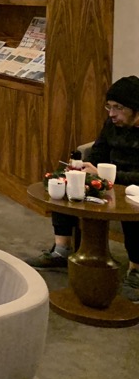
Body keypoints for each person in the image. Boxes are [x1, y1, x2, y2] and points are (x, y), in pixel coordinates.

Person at [26, 76, 139, 302]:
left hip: (134, 186)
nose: (112, 114)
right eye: (109, 107)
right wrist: (83, 169)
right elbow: (98, 152)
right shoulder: (112, 124)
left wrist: (108, 176)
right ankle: (62, 249)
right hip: (107, 180)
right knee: (65, 181)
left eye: (118, 108)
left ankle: (136, 270)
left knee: (133, 208)